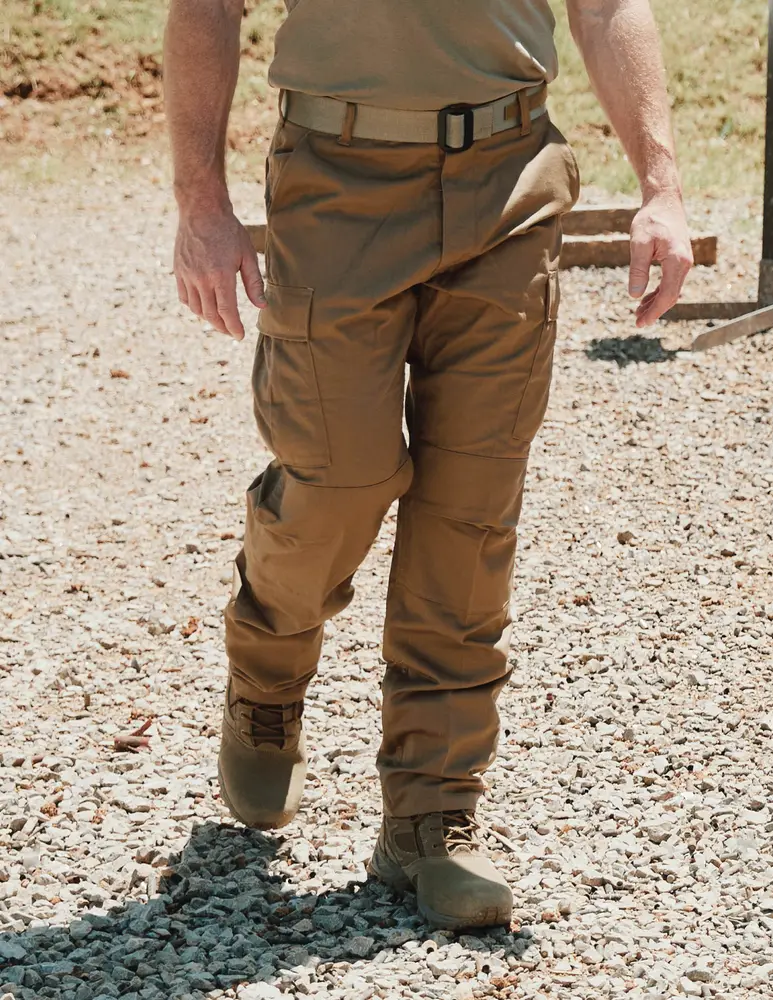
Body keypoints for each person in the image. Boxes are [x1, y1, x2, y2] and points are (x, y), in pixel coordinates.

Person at [163, 0, 694, 930]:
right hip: (336, 180)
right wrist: (201, 203)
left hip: (510, 182)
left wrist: (662, 182)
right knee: (337, 479)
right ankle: (268, 668)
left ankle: (431, 817)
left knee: (470, 510)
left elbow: (606, 6)